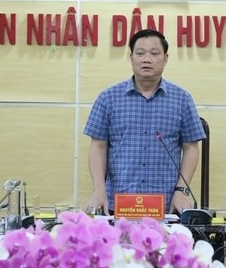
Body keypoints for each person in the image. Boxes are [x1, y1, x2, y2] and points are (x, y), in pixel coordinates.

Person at [84, 29, 206, 215]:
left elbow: (191, 147)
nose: (146, 59)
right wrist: (98, 190)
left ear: (165, 58)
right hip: (116, 204)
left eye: (154, 53)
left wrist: (182, 191)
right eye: (140, 53)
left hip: (166, 206)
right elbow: (98, 146)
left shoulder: (182, 99)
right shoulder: (108, 98)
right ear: (131, 57)